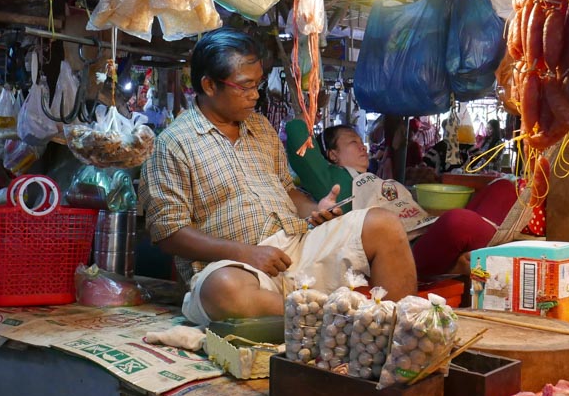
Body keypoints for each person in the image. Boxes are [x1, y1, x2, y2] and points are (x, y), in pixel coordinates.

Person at [140, 28, 417, 325]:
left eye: (257, 85)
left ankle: (393, 335)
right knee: (224, 289)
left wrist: (315, 211)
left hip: (297, 246)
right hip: (237, 268)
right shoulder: (173, 143)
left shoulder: (260, 127)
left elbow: (288, 190)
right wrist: (247, 253)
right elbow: (168, 233)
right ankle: (332, 322)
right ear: (209, 85)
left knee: (384, 224)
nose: (255, 95)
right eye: (245, 86)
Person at [287, 120, 520, 276]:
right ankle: (514, 253)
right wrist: (305, 103)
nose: (363, 148)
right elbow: (298, 140)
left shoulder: (374, 177)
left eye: (362, 142)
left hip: (427, 233)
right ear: (333, 154)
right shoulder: (332, 179)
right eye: (353, 143)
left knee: (503, 187)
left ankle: (478, 251)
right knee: (458, 222)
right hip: (404, 254)